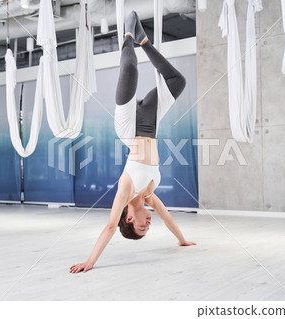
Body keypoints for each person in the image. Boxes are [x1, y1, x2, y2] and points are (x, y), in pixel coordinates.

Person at [70, 11, 196, 274]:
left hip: (128, 127)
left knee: (129, 68)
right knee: (177, 81)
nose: (148, 224)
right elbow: (167, 217)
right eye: (147, 228)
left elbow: (108, 227)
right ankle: (144, 42)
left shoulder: (125, 190)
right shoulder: (149, 194)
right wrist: (181, 240)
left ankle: (127, 34)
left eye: (141, 227)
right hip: (150, 124)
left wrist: (89, 262)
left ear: (128, 219)